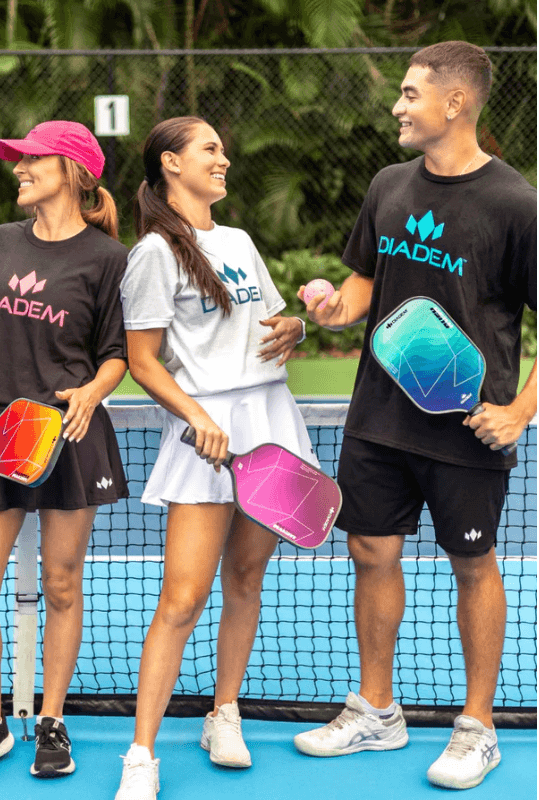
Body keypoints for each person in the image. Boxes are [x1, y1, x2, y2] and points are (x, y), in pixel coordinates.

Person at [293, 41, 536, 791]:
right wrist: (332, 308)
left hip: (466, 428)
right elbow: (367, 283)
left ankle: (477, 726)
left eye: (409, 94)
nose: (397, 106)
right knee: (370, 554)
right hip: (376, 417)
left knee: (473, 565)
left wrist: (520, 411)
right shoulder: (389, 186)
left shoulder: (515, 204)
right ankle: (375, 710)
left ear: (454, 103)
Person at [114, 116, 315, 800]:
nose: (223, 159)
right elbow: (143, 361)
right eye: (209, 149)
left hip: (269, 419)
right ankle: (141, 755)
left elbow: (270, 324)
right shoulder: (152, 254)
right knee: (182, 596)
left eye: (223, 149)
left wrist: (296, 326)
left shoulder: (237, 241)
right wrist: (196, 415)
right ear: (171, 163)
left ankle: (222, 713)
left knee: (247, 578)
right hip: (204, 429)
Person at [0, 120, 129, 783]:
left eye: (32, 159)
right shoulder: (0, 242)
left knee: (60, 586)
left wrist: (92, 392)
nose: (18, 168)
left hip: (67, 438)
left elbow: (117, 354)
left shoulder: (110, 258)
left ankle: (51, 720)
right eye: (16, 158)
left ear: (74, 172)